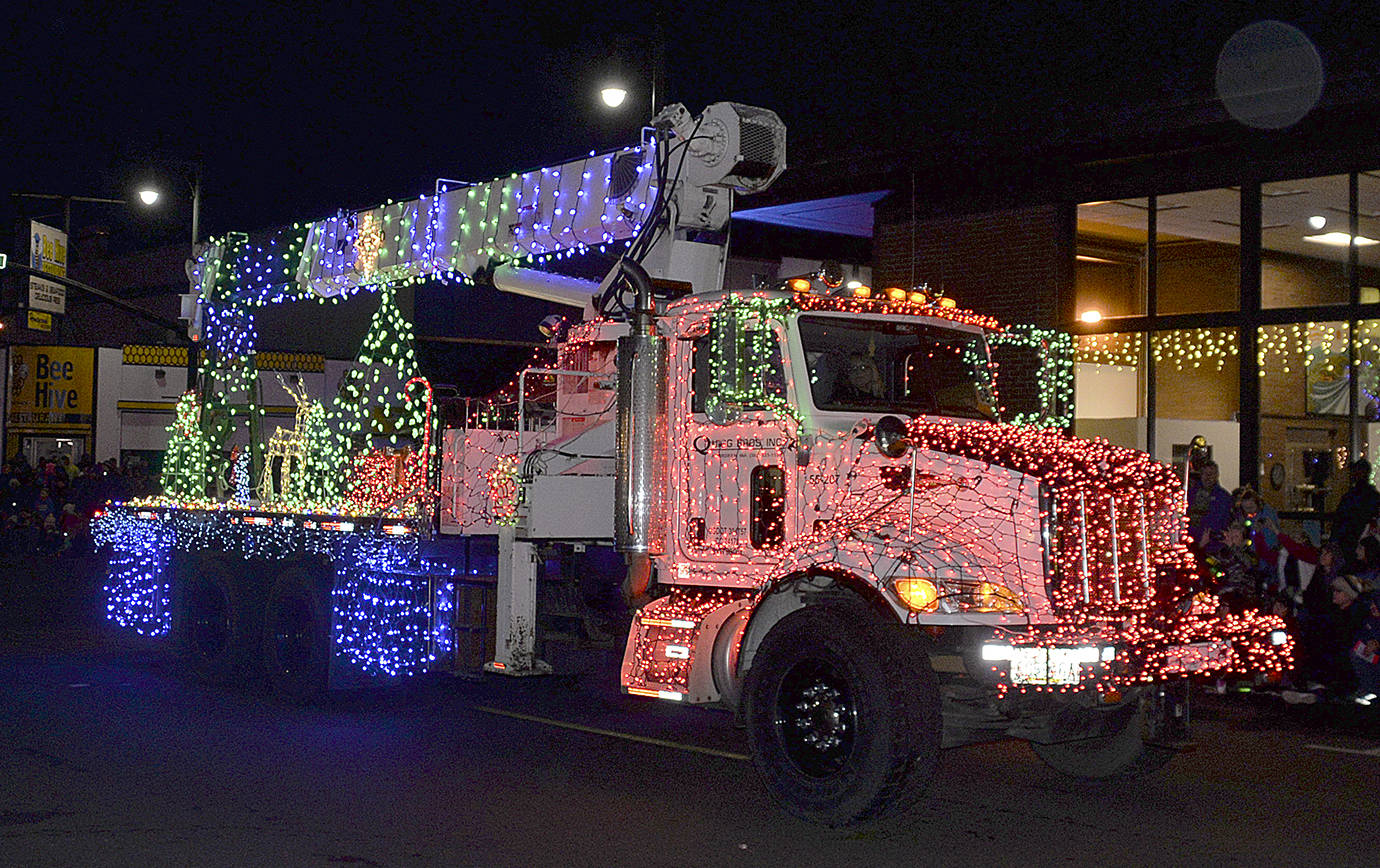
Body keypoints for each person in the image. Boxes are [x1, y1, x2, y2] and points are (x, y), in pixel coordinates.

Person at [1332, 459, 1380, 566]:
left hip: (1352, 541)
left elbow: (1340, 520)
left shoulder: (1351, 497)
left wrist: (1335, 540)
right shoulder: (1373, 496)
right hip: (1361, 543)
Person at [1187, 460, 1232, 549]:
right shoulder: (1191, 494)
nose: (1208, 477)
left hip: (1216, 546)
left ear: (1216, 475)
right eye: (1205, 474)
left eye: (1211, 474)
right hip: (1193, 543)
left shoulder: (1224, 497)